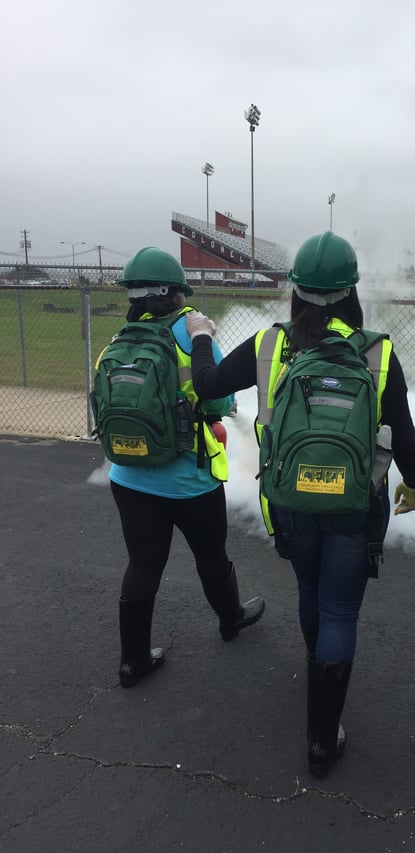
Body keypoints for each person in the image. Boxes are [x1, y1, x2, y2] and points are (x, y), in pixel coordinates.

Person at [186, 232, 415, 776]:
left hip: (290, 504)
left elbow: (207, 385)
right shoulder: (378, 350)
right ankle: (322, 739)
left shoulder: (270, 345)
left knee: (311, 593)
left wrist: (201, 334)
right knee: (342, 609)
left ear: (295, 290)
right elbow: (403, 435)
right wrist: (414, 481)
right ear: (351, 292)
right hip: (356, 507)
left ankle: (317, 675)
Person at [100, 247, 265, 688]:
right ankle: (231, 621)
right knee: (210, 556)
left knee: (142, 563)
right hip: (188, 480)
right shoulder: (192, 335)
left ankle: (133, 662)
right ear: (176, 293)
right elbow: (217, 399)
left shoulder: (119, 340)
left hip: (128, 477)